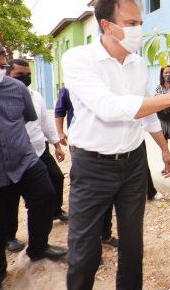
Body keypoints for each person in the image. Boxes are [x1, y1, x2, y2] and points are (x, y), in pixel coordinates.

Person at [62, 0, 170, 289]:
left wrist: (164, 149)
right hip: (92, 165)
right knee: (84, 252)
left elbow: (145, 111)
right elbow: (110, 108)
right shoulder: (78, 59)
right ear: (106, 25)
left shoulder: (137, 64)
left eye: (140, 23)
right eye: (131, 22)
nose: (138, 30)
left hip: (133, 164)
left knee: (133, 244)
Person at [0, 37, 67, 290]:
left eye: (1, 65)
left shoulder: (16, 89)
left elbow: (27, 120)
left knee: (45, 197)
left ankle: (39, 247)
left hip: (24, 162)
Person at [4, 59, 67, 255]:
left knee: (56, 179)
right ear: (7, 75)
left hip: (39, 151)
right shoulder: (0, 98)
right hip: (13, 156)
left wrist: (56, 144)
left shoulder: (36, 96)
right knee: (10, 198)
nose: (25, 78)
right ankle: (9, 236)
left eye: (27, 74)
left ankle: (55, 211)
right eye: (19, 75)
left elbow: (45, 124)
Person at [54, 83, 120, 248]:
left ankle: (105, 235)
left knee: (107, 193)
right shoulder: (70, 87)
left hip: (107, 147)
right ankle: (89, 247)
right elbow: (59, 111)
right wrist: (60, 132)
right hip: (82, 148)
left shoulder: (106, 85)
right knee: (89, 195)